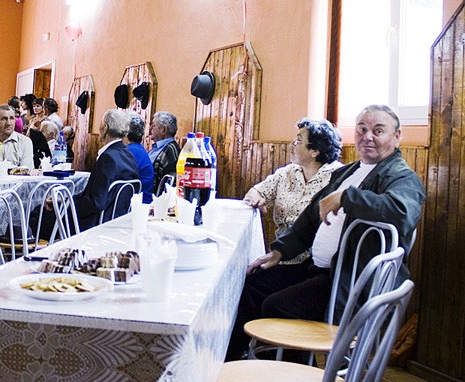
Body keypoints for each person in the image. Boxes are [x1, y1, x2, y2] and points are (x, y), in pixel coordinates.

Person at [225, 105, 426, 363]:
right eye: (362, 129)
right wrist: (280, 251)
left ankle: (293, 381)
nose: (368, 137)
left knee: (278, 306)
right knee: (254, 285)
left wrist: (346, 197)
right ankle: (227, 366)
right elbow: (311, 217)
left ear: (397, 136)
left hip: (351, 282)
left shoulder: (402, 177)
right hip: (320, 271)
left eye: (378, 131)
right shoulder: (349, 171)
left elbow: (401, 211)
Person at [244, 118, 343, 264]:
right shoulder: (287, 173)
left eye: (299, 140)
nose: (292, 144)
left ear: (315, 151)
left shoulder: (337, 177)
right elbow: (255, 191)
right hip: (280, 256)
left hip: (315, 263)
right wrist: (255, 199)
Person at [31, 109, 139, 235]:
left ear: (105, 127)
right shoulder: (129, 156)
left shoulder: (108, 158)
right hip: (117, 220)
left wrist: (67, 205)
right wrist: (64, 200)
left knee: (36, 214)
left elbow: (96, 203)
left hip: (93, 224)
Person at [126, 113, 154, 203]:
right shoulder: (138, 149)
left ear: (125, 131)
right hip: (142, 200)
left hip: (136, 204)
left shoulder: (128, 152)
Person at [148, 111, 181, 190]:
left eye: (153, 125)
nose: (150, 128)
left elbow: (170, 185)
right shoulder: (157, 148)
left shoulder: (171, 150)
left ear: (163, 130)